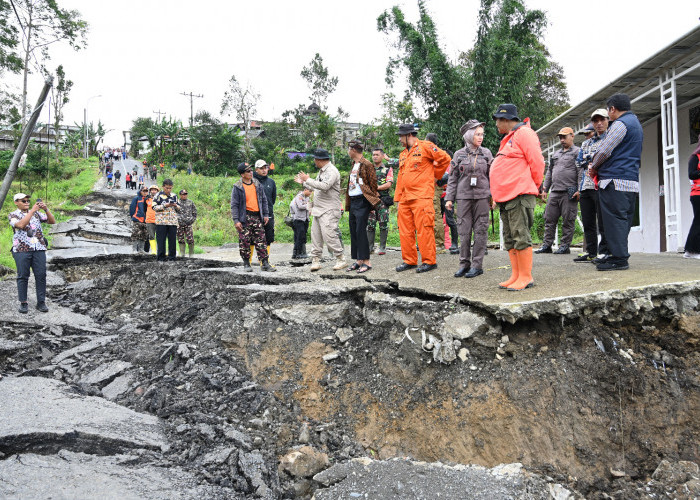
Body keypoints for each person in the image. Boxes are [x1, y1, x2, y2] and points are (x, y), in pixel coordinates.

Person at [489, 103, 545, 291]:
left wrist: (534, 186)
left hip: (520, 194)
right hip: (506, 196)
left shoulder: (524, 134)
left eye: (497, 120)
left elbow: (537, 162)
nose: (496, 124)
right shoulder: (508, 139)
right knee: (511, 237)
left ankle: (526, 276)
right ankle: (516, 274)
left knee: (521, 235)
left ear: (506, 120)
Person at [588, 93, 643, 271]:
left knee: (614, 220)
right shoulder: (636, 123)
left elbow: (605, 149)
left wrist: (594, 166)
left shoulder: (620, 123)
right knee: (623, 220)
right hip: (629, 179)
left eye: (608, 111)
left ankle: (619, 259)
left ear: (612, 109)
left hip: (615, 180)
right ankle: (615, 254)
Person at [394, 124, 451, 273]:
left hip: (421, 196)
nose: (400, 139)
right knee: (405, 231)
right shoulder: (403, 154)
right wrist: (398, 199)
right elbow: (400, 178)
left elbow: (445, 159)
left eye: (401, 136)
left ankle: (429, 261)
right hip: (405, 198)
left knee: (424, 229)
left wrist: (435, 176)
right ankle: (409, 260)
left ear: (409, 135)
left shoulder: (426, 146)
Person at [445, 119, 493, 278]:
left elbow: (492, 176)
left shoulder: (486, 153)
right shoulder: (458, 155)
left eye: (482, 134)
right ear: (469, 135)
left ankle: (477, 265)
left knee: (480, 230)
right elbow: (452, 179)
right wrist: (449, 199)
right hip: (463, 198)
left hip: (482, 198)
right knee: (464, 232)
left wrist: (494, 196)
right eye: (477, 134)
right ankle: (464, 264)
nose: (481, 137)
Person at [295, 148, 346, 272]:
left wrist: (307, 179)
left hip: (329, 209)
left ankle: (341, 259)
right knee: (316, 236)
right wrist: (304, 183)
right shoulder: (321, 172)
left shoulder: (332, 171)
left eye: (315, 159)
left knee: (330, 235)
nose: (314, 161)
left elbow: (325, 186)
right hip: (318, 209)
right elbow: (316, 187)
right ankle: (316, 260)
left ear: (319, 160)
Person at [534, 127, 581, 255]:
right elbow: (549, 172)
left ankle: (565, 246)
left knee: (568, 220)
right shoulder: (556, 154)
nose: (562, 139)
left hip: (569, 191)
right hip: (555, 191)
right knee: (549, 219)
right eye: (560, 137)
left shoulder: (577, 152)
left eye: (564, 137)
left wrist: (579, 189)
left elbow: (581, 171)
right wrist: (545, 189)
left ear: (572, 136)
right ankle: (547, 245)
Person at [574, 110, 610, 262]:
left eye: (602, 120)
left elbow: (604, 158)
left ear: (607, 120)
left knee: (603, 221)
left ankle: (604, 252)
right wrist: (591, 159)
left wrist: (590, 159)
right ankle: (592, 252)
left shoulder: (609, 139)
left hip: (600, 184)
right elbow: (578, 162)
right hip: (585, 186)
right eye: (596, 121)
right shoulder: (586, 143)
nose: (599, 123)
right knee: (588, 222)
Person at [9, 193, 55, 313]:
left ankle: (41, 302)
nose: (26, 202)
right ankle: (23, 303)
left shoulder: (37, 213)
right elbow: (21, 225)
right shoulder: (13, 215)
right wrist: (32, 211)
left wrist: (45, 209)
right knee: (23, 276)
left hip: (38, 248)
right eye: (23, 201)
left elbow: (52, 221)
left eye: (28, 200)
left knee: (41, 275)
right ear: (16, 202)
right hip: (21, 250)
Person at [231, 162, 276, 272]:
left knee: (261, 240)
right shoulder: (238, 187)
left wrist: (265, 214)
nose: (251, 172)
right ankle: (247, 263)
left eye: (251, 170)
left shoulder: (257, 184)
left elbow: (264, 200)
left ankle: (265, 263)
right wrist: (236, 220)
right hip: (245, 217)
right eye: (248, 171)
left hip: (257, 217)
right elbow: (234, 205)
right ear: (242, 174)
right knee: (245, 241)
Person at [345, 140, 379, 273]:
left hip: (362, 201)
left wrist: (370, 199)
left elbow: (373, 184)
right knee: (353, 229)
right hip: (352, 201)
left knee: (360, 230)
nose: (348, 152)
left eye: (349, 149)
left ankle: (367, 261)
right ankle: (358, 259)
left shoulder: (367, 164)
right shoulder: (354, 164)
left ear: (353, 150)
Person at [425, 133, 449, 254]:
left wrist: (435, 178)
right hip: (428, 187)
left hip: (435, 187)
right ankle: (432, 243)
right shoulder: (431, 153)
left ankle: (439, 244)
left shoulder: (436, 153)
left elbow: (445, 164)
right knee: (429, 215)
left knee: (436, 215)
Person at [367, 149, 394, 255]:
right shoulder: (368, 169)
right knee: (370, 224)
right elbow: (364, 184)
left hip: (383, 200)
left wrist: (376, 188)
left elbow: (388, 184)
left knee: (383, 223)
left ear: (383, 156)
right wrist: (373, 191)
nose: (374, 157)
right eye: (373, 155)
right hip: (370, 200)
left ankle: (382, 247)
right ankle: (370, 247)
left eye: (377, 155)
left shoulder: (387, 169)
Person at [253, 159, 277, 262]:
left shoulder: (271, 182)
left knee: (269, 237)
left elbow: (273, 198)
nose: (264, 170)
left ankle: (265, 260)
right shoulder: (252, 181)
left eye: (265, 168)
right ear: (256, 169)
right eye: (261, 168)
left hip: (269, 213)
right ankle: (249, 261)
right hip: (254, 214)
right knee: (252, 238)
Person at [152, 179, 181, 262]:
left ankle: (172, 257)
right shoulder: (157, 195)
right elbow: (154, 207)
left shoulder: (174, 196)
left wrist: (175, 205)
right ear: (163, 187)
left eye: (170, 188)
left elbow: (179, 208)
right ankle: (161, 258)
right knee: (161, 240)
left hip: (172, 222)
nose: (168, 190)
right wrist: (165, 205)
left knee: (172, 240)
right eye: (167, 188)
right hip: (161, 222)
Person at [684, 134, 700, 258]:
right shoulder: (695, 157)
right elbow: (691, 174)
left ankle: (692, 250)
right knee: (698, 222)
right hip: (697, 194)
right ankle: (691, 250)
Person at [290, 187, 313, 260]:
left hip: (305, 219)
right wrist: (309, 206)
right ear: (305, 190)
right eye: (310, 191)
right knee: (299, 236)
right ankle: (297, 253)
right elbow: (300, 206)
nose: (311, 193)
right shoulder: (299, 197)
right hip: (298, 219)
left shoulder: (307, 198)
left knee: (302, 236)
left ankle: (302, 252)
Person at [176, 189, 197, 258]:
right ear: (180, 195)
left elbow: (194, 213)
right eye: (183, 194)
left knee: (190, 239)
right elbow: (174, 213)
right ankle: (182, 254)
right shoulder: (177, 203)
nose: (184, 196)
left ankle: (191, 255)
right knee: (180, 239)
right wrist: (179, 220)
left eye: (185, 194)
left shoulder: (190, 202)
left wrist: (191, 220)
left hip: (188, 224)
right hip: (180, 224)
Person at [129, 187, 149, 253]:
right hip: (137, 219)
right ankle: (134, 249)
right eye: (144, 191)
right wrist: (134, 216)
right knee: (135, 234)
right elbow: (132, 208)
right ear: (140, 191)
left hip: (145, 220)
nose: (145, 192)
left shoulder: (148, 199)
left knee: (144, 235)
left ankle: (141, 249)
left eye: (146, 191)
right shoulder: (136, 198)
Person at [145, 185, 159, 255]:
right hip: (149, 220)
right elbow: (144, 209)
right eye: (152, 190)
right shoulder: (147, 199)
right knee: (151, 236)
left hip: (159, 220)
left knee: (160, 236)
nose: (153, 191)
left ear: (157, 191)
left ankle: (160, 250)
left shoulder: (160, 199)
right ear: (150, 191)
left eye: (155, 190)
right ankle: (153, 250)